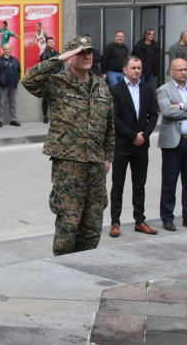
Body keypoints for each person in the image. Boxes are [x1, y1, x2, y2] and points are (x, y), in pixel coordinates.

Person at [21, 36, 115, 256]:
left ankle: (85, 268)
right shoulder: (57, 83)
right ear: (70, 57)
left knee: (92, 227)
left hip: (95, 166)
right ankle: (63, 272)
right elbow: (29, 81)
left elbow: (109, 126)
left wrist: (107, 156)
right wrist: (58, 59)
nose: (87, 56)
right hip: (68, 168)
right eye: (81, 52)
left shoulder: (101, 87)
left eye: (89, 52)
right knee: (68, 227)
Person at [109, 56, 158, 238]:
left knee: (139, 185)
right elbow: (114, 118)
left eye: (139, 67)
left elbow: (153, 115)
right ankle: (115, 223)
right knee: (118, 185)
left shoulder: (146, 89)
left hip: (141, 145)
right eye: (133, 67)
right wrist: (132, 136)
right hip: (122, 145)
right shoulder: (115, 90)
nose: (137, 70)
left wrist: (143, 136)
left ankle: (139, 220)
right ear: (125, 70)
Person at [156, 58, 187, 231]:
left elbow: (174, 110)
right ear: (171, 72)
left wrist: (183, 105)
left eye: (186, 69)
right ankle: (167, 217)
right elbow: (166, 110)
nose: (184, 72)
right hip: (172, 142)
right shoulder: (163, 90)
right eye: (180, 70)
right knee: (169, 181)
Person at [0, 43, 21, 127]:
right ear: (3, 50)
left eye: (9, 49)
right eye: (6, 49)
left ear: (11, 49)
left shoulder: (15, 60)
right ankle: (0, 121)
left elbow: (19, 71)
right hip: (2, 86)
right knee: (1, 103)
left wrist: (17, 79)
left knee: (13, 104)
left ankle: (13, 120)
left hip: (13, 86)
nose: (8, 51)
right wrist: (0, 79)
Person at [39, 37, 64, 123]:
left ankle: (56, 115)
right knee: (46, 97)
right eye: (49, 42)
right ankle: (45, 116)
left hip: (57, 78)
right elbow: (44, 67)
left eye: (52, 42)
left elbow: (62, 65)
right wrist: (50, 75)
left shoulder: (58, 53)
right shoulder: (44, 54)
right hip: (48, 78)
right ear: (46, 44)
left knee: (56, 97)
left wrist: (59, 75)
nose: (51, 43)